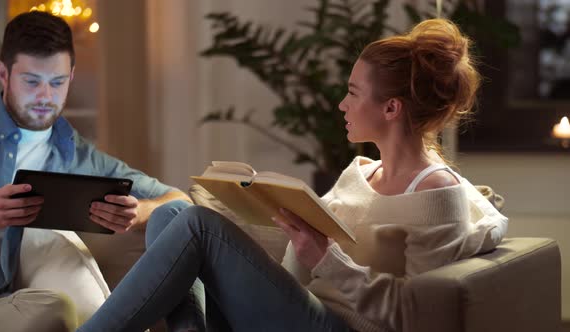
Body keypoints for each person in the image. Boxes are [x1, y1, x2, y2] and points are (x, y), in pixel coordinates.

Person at [78, 18, 508, 332]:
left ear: (391, 108)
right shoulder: (362, 172)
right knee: (170, 217)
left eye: (353, 93)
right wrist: (288, 246)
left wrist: (325, 259)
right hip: (302, 312)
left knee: (194, 223)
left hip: (345, 328)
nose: (342, 103)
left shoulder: (437, 193)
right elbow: (298, 273)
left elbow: (417, 315)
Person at [0, 11, 190, 332]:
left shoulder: (74, 152)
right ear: (3, 74)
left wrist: (139, 212)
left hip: (15, 300)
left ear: (71, 78)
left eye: (57, 82)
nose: (45, 97)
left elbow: (179, 201)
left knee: (55, 306)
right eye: (32, 82)